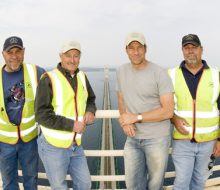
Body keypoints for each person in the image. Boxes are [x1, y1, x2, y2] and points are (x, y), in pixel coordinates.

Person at [35, 40, 96, 190]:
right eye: (68, 55)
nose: (72, 59)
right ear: (61, 56)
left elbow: (91, 99)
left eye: (76, 56)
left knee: (85, 184)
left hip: (76, 145)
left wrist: (90, 110)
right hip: (53, 146)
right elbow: (41, 114)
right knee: (59, 187)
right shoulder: (48, 78)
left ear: (80, 58)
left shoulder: (82, 76)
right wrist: (72, 125)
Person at [116, 32, 174, 190]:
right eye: (131, 48)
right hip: (133, 138)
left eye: (139, 47)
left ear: (145, 49)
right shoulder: (121, 71)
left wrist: (135, 117)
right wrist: (124, 121)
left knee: (155, 185)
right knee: (133, 184)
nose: (135, 52)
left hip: (157, 138)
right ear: (126, 50)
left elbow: (168, 111)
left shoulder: (159, 73)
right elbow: (121, 99)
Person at [169, 34, 220, 190]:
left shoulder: (216, 75)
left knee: (199, 183)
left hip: (209, 143)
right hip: (182, 141)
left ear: (201, 49)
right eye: (187, 47)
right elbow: (164, 106)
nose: (190, 51)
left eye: (194, 47)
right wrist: (174, 118)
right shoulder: (171, 75)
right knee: (182, 183)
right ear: (182, 50)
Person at [0, 36, 45, 190]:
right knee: (9, 183)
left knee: (31, 181)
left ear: (24, 52)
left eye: (18, 51)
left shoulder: (36, 72)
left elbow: (56, 92)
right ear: (3, 54)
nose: (14, 56)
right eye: (10, 52)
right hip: (4, 142)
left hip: (29, 141)